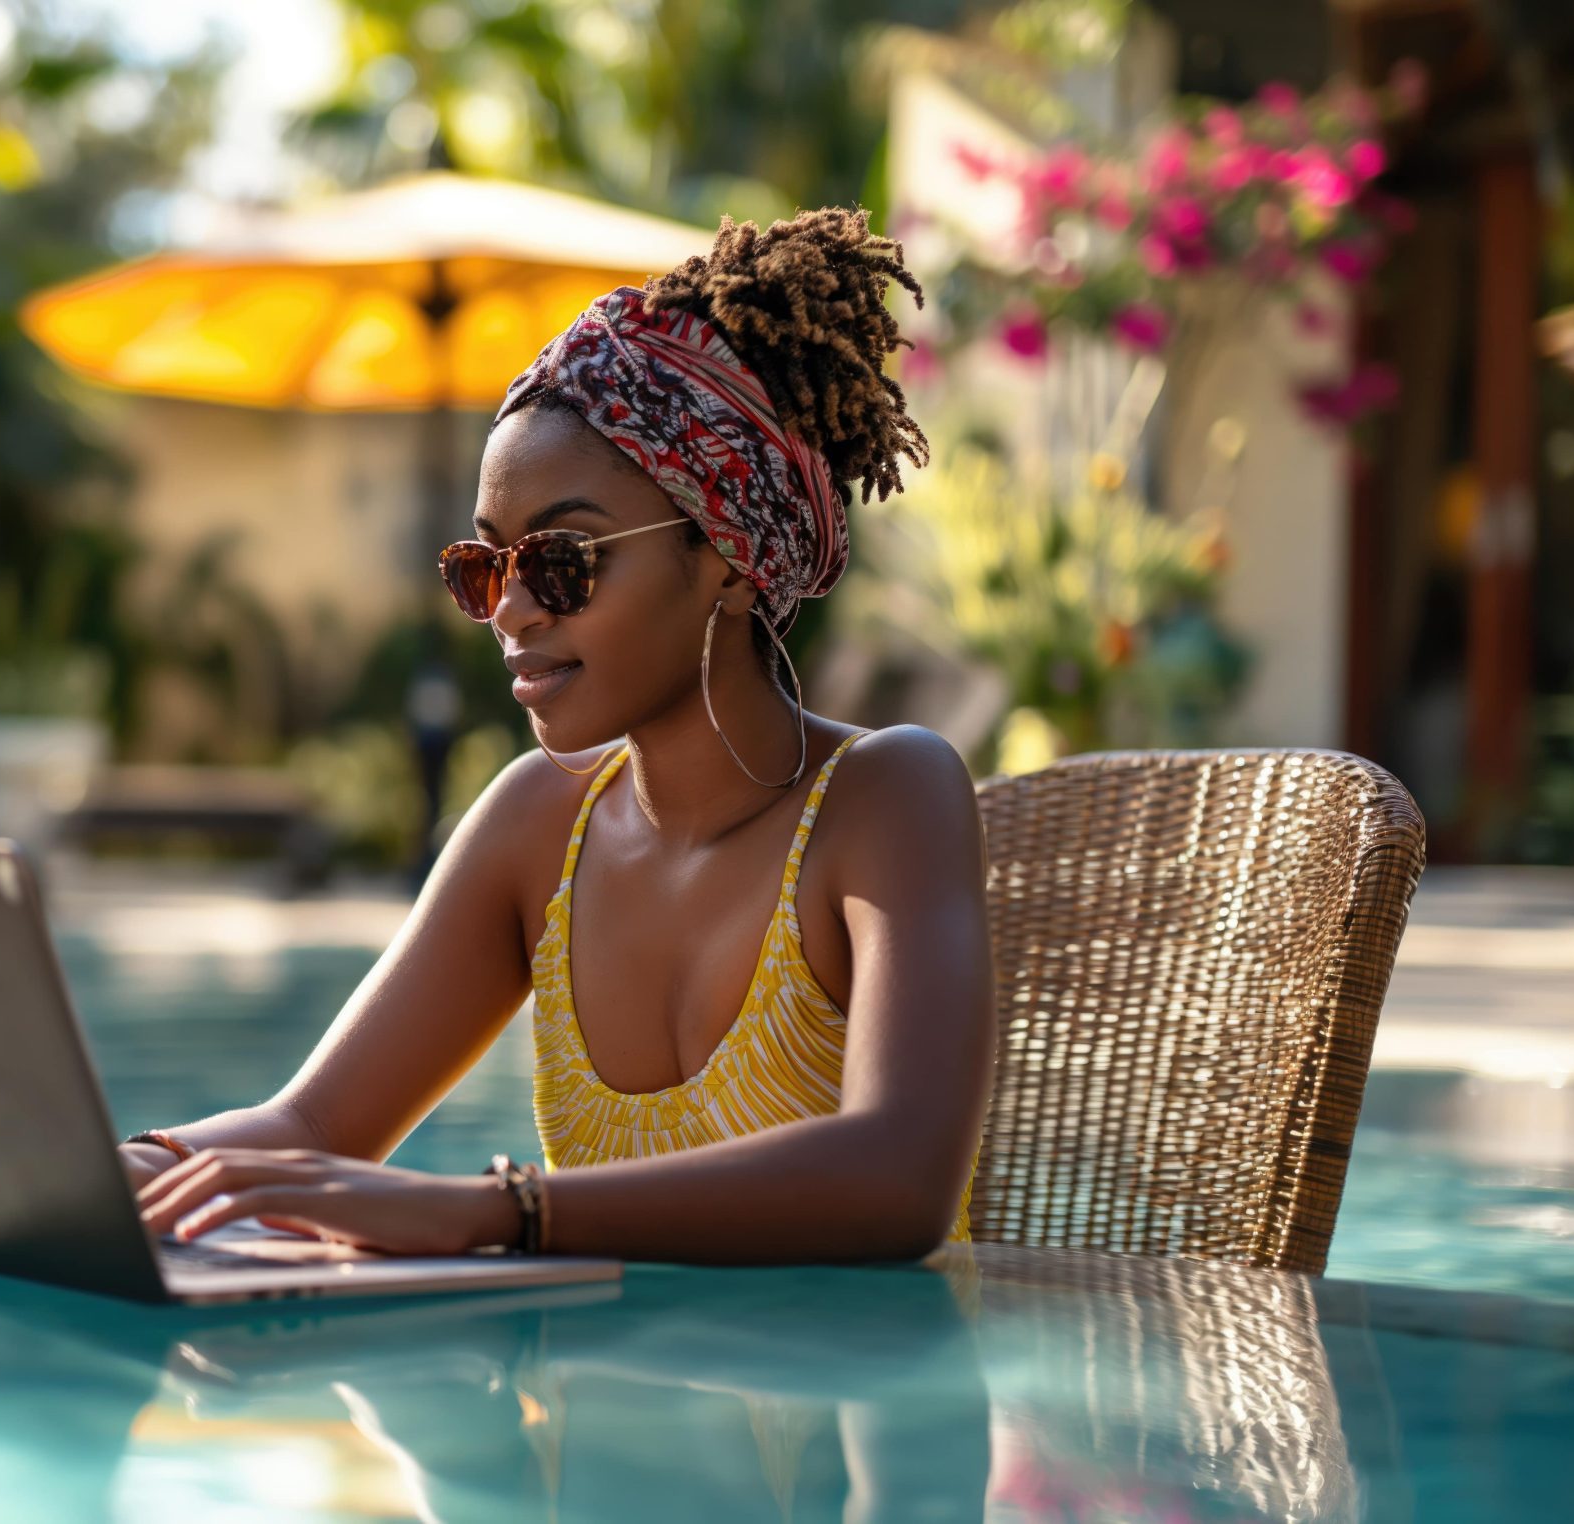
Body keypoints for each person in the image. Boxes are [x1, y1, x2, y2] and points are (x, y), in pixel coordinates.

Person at [128, 208, 994, 1266]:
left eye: (565, 562)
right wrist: (121, 1165)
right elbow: (311, 1129)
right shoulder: (538, 822)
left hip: (862, 1421)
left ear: (725, 556)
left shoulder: (884, 796)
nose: (510, 610)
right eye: (483, 566)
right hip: (598, 1426)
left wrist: (499, 1211)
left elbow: (896, 1178)